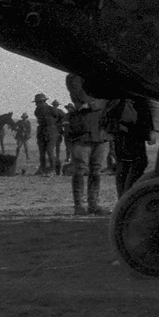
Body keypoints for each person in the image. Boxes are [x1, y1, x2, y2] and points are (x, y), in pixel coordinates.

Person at [63, 74, 108, 215]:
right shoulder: (73, 77)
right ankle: (79, 205)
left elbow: (107, 100)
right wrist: (97, 103)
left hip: (100, 131)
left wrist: (92, 105)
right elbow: (82, 98)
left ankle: (93, 204)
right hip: (82, 131)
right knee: (80, 169)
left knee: (96, 169)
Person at [107, 95, 159, 197]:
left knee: (127, 164)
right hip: (129, 126)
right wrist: (155, 129)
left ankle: (124, 197)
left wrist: (155, 129)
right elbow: (155, 104)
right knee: (134, 163)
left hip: (130, 126)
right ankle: (127, 197)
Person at [32, 93, 60, 174]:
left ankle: (52, 170)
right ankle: (43, 169)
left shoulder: (51, 109)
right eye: (37, 102)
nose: (37, 104)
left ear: (43, 101)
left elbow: (58, 115)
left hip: (51, 132)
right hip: (42, 132)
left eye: (39, 102)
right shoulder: (37, 111)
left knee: (50, 151)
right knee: (42, 153)